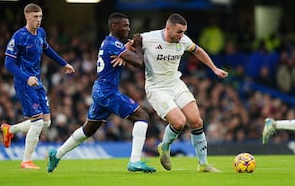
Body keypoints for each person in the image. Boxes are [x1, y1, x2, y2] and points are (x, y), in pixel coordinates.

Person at [47, 12, 156, 173]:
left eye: (128, 25)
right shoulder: (113, 44)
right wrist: (138, 46)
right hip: (107, 91)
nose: (128, 28)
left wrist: (129, 48)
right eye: (124, 25)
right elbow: (138, 63)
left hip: (100, 90)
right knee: (142, 116)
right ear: (113, 26)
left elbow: (126, 51)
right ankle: (135, 161)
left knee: (88, 129)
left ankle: (57, 154)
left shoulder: (111, 43)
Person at [139, 13, 228, 172]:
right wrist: (120, 57)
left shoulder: (184, 40)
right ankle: (164, 147)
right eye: (179, 32)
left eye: (184, 31)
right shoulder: (148, 38)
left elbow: (198, 50)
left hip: (176, 84)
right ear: (168, 28)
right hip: (157, 88)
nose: (182, 35)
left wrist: (214, 68)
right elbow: (129, 46)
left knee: (196, 122)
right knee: (179, 122)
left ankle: (203, 164)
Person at [0, 3, 75, 169]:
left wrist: (64, 63)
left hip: (37, 81)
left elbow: (46, 49)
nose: (38, 20)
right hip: (24, 82)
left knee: (46, 122)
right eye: (35, 17)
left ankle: (9, 130)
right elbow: (9, 64)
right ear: (26, 16)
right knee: (37, 122)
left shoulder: (41, 33)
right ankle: (26, 161)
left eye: (40, 16)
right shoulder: (19, 36)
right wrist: (26, 78)